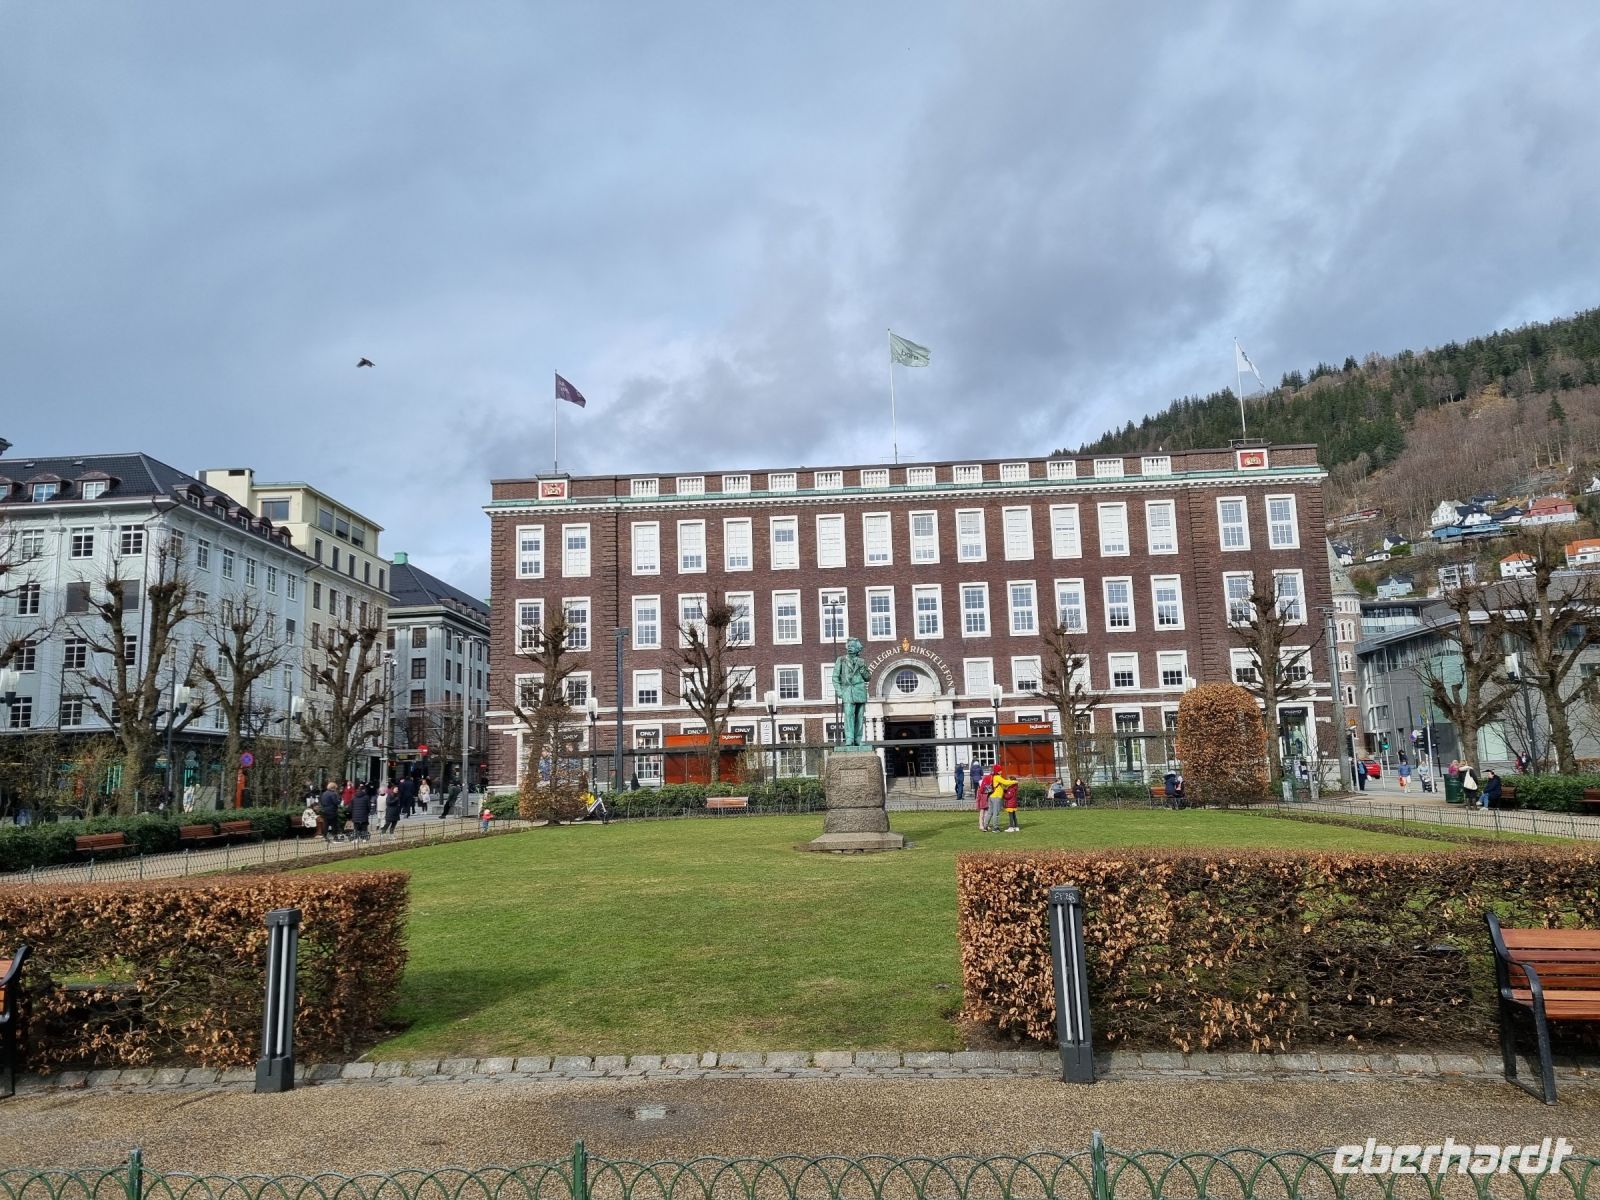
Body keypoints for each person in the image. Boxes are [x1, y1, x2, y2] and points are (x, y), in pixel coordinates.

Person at [988, 769, 1013, 834]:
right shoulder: (997, 777)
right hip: (996, 797)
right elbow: (1005, 782)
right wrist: (1014, 781)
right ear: (997, 771)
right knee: (996, 814)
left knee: (990, 813)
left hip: (992, 796)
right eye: (1000, 770)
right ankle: (995, 828)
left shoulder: (994, 777)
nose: (1001, 771)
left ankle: (985, 826)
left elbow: (1002, 785)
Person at [976, 766, 994, 831]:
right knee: (982, 814)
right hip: (982, 804)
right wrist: (978, 805)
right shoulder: (980, 791)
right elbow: (978, 798)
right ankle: (981, 825)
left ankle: (986, 825)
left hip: (987, 802)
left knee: (987, 814)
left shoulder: (986, 789)